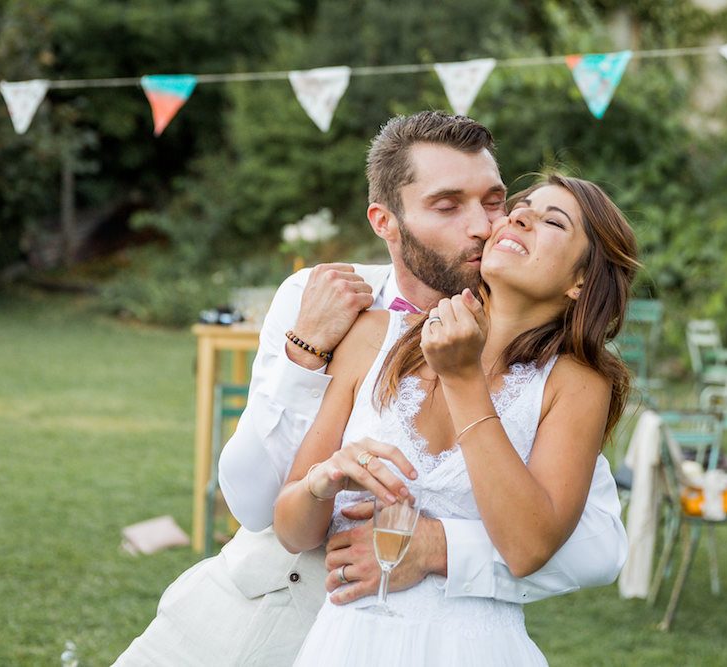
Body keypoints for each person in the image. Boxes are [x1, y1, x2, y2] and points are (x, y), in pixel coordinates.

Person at [115, 112, 628, 666]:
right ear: (385, 221)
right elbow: (256, 503)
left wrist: (440, 548)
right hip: (260, 609)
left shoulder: (566, 377)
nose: (485, 226)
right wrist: (304, 356)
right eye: (448, 205)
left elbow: (594, 545)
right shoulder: (331, 305)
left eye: (494, 201)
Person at [275, 173, 639, 665]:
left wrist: (463, 379)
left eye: (552, 220)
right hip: (344, 645)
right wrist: (324, 480)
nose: (520, 217)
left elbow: (528, 547)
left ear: (580, 281)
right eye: (520, 208)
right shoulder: (373, 337)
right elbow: (293, 530)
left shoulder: (575, 382)